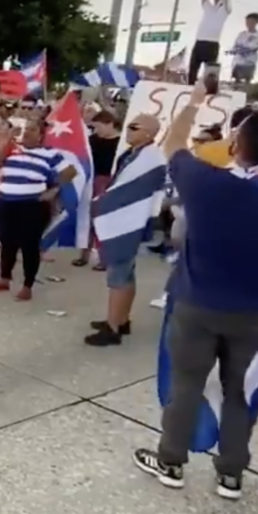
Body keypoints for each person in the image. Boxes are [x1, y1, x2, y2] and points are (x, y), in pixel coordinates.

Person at [133, 81, 258, 500]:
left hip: (196, 307)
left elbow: (174, 142)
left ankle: (171, 462)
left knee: (186, 386)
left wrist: (194, 103)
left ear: (236, 144)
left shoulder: (206, 183)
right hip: (254, 313)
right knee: (239, 392)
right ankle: (231, 474)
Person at [83, 113, 161, 346]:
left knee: (119, 274)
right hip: (125, 220)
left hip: (129, 223)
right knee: (125, 273)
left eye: (134, 127)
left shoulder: (151, 158)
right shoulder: (132, 154)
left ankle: (113, 328)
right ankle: (121, 319)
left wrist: (103, 204)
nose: (128, 131)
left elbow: (133, 191)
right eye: (128, 126)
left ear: (148, 133)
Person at [0, 116, 77, 300]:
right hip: (6, 202)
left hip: (32, 205)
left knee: (29, 245)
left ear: (41, 136)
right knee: (7, 241)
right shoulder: (11, 149)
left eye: (32, 129)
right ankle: (5, 278)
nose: (26, 132)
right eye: (25, 128)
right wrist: (7, 138)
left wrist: (54, 190)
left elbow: (70, 172)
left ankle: (27, 285)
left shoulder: (50, 154)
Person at [78, 109, 123, 267]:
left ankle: (104, 258)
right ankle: (84, 253)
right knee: (88, 217)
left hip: (110, 181)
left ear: (110, 124)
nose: (96, 131)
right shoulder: (93, 140)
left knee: (105, 220)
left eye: (99, 127)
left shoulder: (121, 143)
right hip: (92, 180)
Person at [187, 0, 232, 85]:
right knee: (192, 70)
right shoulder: (209, 8)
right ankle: (191, 86)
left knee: (210, 72)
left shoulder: (225, 10)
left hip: (212, 44)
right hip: (200, 42)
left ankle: (209, 90)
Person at [228, 12, 258, 89]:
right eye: (247, 21)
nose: (248, 23)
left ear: (256, 22)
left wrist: (247, 49)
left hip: (250, 62)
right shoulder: (242, 34)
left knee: (247, 83)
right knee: (236, 82)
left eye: (251, 21)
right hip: (238, 62)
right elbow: (235, 47)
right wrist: (232, 51)